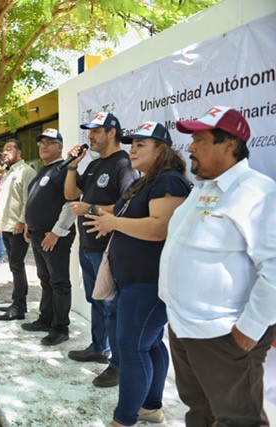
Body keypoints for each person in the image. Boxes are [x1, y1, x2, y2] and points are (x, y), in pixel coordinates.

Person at [159, 106, 276, 426]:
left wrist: (248, 330)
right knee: (199, 411)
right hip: (184, 329)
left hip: (224, 334)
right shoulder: (203, 188)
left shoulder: (258, 192)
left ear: (230, 145)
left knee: (239, 420)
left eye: (200, 139)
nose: (191, 147)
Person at [84, 122, 190, 426]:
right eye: (132, 144)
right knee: (150, 344)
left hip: (149, 284)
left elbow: (160, 227)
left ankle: (124, 419)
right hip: (134, 282)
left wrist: (114, 224)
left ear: (163, 149)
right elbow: (127, 220)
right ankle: (150, 407)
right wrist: (106, 218)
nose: (133, 149)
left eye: (141, 144)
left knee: (132, 348)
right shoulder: (144, 181)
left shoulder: (169, 180)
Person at [64, 111, 139, 388]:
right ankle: (98, 347)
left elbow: (127, 206)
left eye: (96, 131)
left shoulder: (123, 163)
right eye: (89, 131)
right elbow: (70, 194)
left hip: (107, 248)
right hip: (87, 245)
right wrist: (73, 166)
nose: (90, 136)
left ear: (112, 132)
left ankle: (118, 365)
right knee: (96, 300)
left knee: (112, 305)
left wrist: (90, 208)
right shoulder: (96, 164)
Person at [22, 128, 76, 346]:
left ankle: (61, 328)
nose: (43, 146)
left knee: (59, 282)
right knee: (46, 281)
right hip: (37, 235)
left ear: (60, 147)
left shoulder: (64, 170)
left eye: (50, 142)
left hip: (54, 237)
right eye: (41, 142)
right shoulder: (43, 171)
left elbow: (70, 204)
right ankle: (46, 319)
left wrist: (57, 232)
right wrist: (28, 224)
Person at [0, 140, 37, 321]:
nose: (5, 152)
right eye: (3, 150)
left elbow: (29, 200)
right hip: (6, 226)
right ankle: (19, 303)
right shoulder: (7, 173)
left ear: (19, 153)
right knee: (14, 266)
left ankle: (18, 306)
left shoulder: (26, 171)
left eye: (9, 149)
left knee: (17, 266)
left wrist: (22, 221)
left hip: (17, 228)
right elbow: (3, 201)